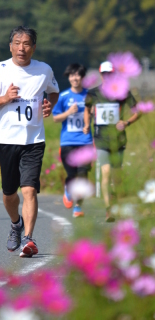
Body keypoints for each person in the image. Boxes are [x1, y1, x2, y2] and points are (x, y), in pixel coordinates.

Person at [0, 26, 59, 257]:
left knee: (29, 190)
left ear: (34, 47)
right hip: (7, 140)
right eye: (17, 43)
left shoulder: (44, 70)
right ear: (10, 45)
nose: (21, 48)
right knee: (8, 194)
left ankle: (29, 239)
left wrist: (49, 105)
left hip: (34, 140)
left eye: (26, 44)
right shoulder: (0, 70)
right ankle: (16, 223)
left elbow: (53, 92)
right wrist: (5, 98)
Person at [83, 61, 139, 222]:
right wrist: (87, 124)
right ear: (101, 74)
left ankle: (114, 198)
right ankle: (109, 210)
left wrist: (126, 122)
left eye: (110, 74)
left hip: (118, 139)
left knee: (117, 177)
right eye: (105, 74)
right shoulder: (93, 93)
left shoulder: (122, 92)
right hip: (101, 139)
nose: (108, 76)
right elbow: (86, 109)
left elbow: (138, 110)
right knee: (106, 173)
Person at [52, 63, 93, 218]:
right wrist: (69, 112)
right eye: (72, 75)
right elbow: (55, 118)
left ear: (82, 77)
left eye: (77, 75)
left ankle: (78, 206)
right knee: (72, 174)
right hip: (68, 141)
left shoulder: (89, 95)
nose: (75, 78)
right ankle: (68, 189)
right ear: (68, 78)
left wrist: (89, 123)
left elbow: (94, 112)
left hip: (85, 141)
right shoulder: (63, 96)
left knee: (83, 175)